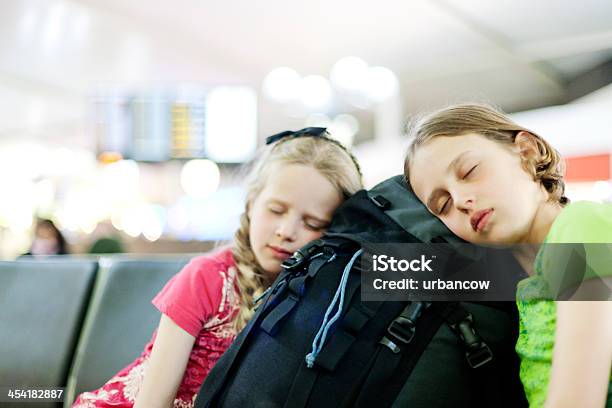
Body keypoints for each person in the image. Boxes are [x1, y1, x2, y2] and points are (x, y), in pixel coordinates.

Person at [72, 127, 363, 408]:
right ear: (251, 203)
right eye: (275, 210)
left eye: (313, 224)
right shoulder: (206, 277)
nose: (286, 231)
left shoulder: (330, 297)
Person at [404, 103, 612, 407]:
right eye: (443, 205)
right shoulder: (522, 289)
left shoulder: (582, 225)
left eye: (469, 171)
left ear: (527, 151)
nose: (461, 201)